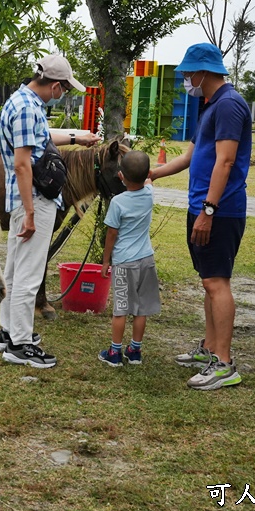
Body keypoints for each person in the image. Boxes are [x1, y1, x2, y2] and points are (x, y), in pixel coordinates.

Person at [150, 42, 252, 390]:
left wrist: (209, 210)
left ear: (203, 72)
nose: (186, 80)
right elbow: (191, 156)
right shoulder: (208, 106)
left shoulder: (229, 105)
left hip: (219, 211)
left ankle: (224, 363)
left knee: (217, 282)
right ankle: (209, 350)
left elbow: (225, 161)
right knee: (208, 280)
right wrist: (153, 173)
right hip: (201, 208)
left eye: (188, 73)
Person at [0, 54, 101, 368]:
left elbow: (37, 138)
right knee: (28, 276)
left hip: (20, 198)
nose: (64, 94)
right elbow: (22, 162)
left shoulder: (20, 102)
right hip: (35, 200)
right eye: (65, 89)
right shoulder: (29, 108)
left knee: (14, 272)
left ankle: (8, 332)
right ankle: (21, 344)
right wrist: (30, 213)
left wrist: (76, 137)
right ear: (55, 86)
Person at [98, 150, 160, 367]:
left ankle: (114, 353)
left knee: (121, 309)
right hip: (146, 260)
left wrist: (106, 261)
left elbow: (111, 234)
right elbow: (150, 179)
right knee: (141, 309)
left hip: (124, 263)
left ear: (121, 176)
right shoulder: (149, 193)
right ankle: (135, 350)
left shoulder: (117, 202)